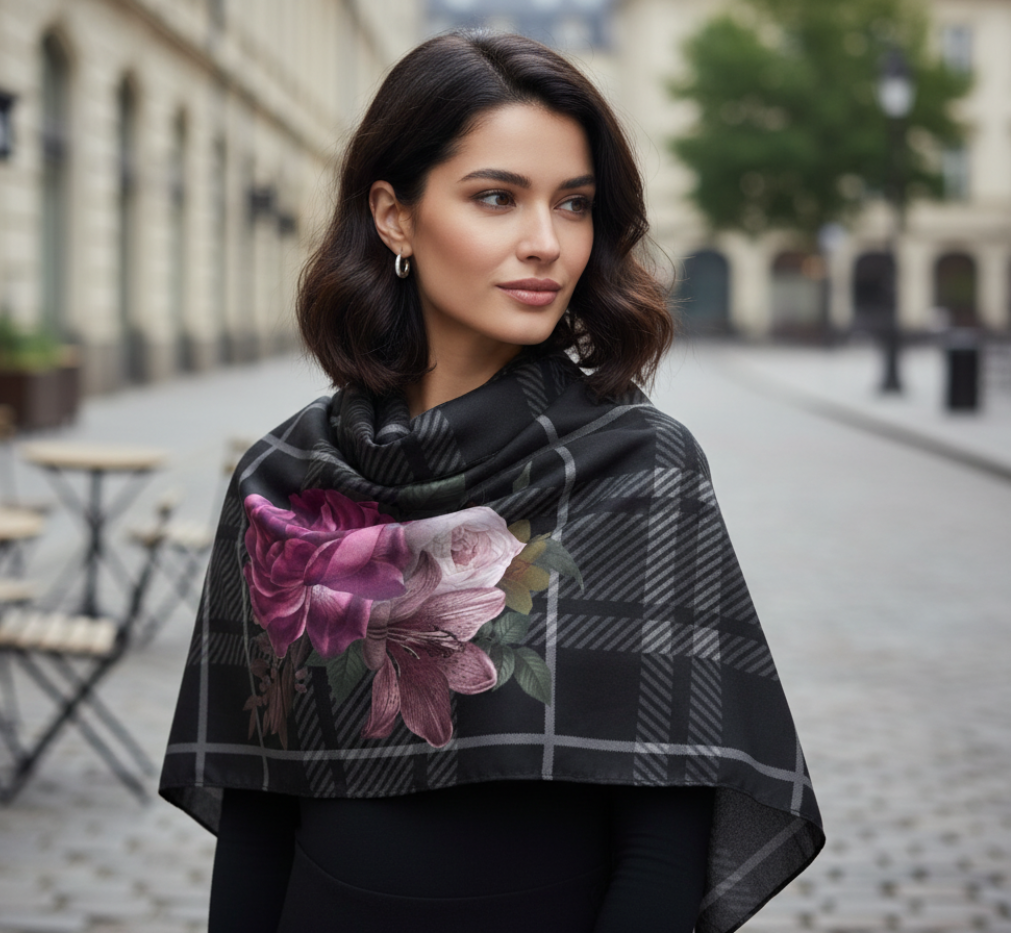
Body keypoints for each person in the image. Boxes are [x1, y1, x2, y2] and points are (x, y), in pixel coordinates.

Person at [160, 32, 824, 933]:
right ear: (395, 215)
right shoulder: (282, 482)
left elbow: (663, 852)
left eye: (575, 204)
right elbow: (255, 821)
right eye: (497, 197)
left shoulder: (645, 469)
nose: (546, 242)